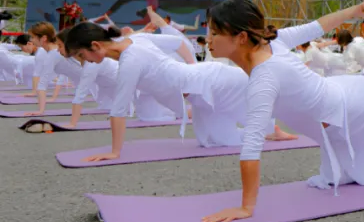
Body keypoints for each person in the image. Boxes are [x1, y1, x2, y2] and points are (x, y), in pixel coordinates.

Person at [201, 0, 364, 222]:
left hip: (353, 106)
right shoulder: (272, 43)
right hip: (336, 118)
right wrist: (353, 11)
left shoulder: (264, 76)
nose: (208, 39)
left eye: (214, 32)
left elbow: (252, 146)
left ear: (242, 37)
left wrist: (246, 207)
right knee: (356, 176)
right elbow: (318, 26)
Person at [63, 23, 276, 162]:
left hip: (212, 81)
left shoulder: (131, 59)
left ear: (95, 45)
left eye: (82, 55)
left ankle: (274, 127)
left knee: (261, 102)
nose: (85, 62)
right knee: (212, 141)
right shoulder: (136, 41)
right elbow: (177, 43)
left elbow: (119, 110)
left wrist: (114, 152)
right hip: (200, 96)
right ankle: (270, 130)